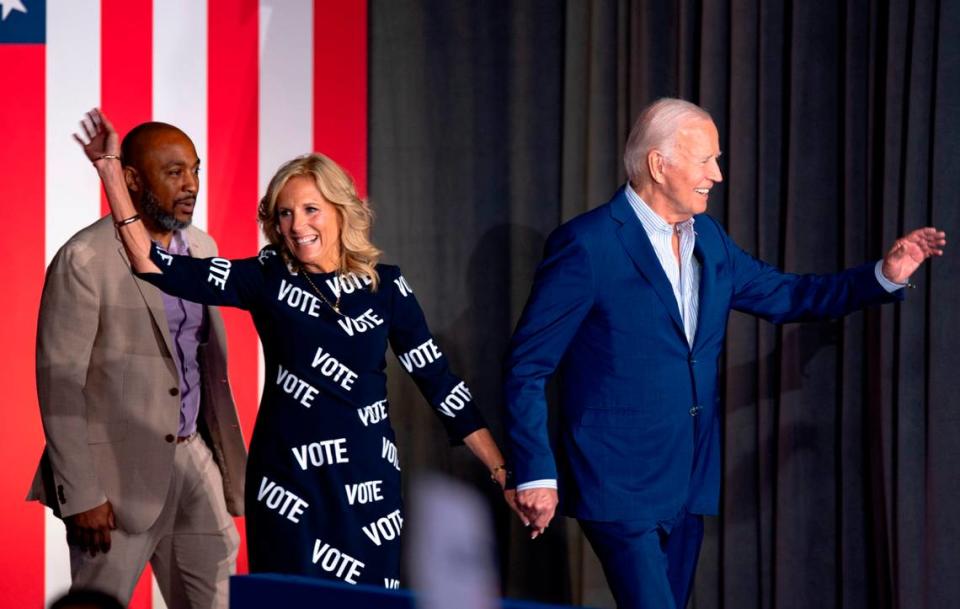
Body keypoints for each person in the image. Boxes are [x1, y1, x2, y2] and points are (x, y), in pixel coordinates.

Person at [504, 98, 946, 609]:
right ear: (658, 164)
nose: (717, 175)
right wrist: (537, 472)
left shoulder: (708, 239)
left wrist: (883, 276)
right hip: (617, 482)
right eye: (706, 160)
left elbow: (789, 295)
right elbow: (528, 366)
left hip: (689, 482)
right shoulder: (587, 244)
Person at [74, 108, 517, 587]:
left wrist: (501, 469)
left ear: (340, 212)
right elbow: (150, 262)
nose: (297, 224)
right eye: (284, 213)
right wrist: (110, 174)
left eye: (310, 210)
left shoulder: (386, 288)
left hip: (369, 487)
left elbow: (440, 384)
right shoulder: (265, 277)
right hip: (288, 484)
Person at [28, 120, 247, 608]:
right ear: (131, 179)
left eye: (195, 170)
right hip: (113, 479)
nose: (191, 184)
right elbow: (60, 382)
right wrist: (81, 493)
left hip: (194, 459)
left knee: (221, 598)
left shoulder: (205, 249)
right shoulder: (85, 259)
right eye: (173, 172)